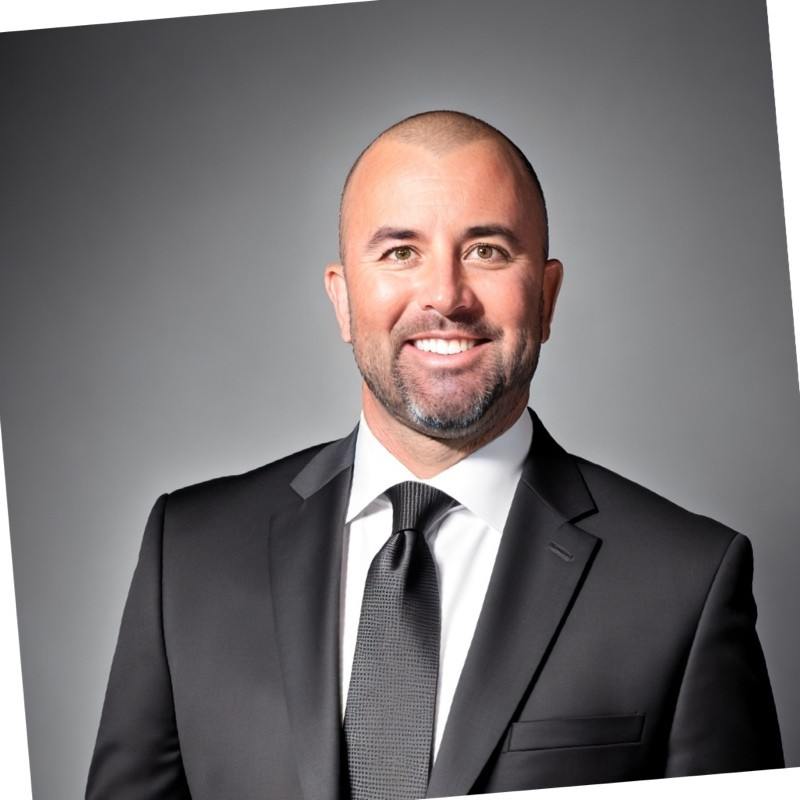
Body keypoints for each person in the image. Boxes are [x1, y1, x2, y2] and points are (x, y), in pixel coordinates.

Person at [86, 111, 783, 799]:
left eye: (487, 251)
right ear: (343, 300)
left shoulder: (685, 582)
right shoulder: (190, 553)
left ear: (545, 298)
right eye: (400, 252)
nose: (446, 296)